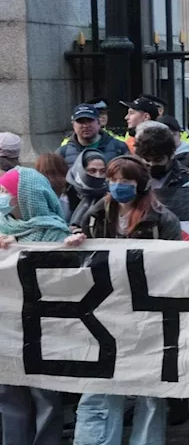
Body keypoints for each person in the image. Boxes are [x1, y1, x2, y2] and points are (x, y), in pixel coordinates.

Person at [70, 155, 182, 443]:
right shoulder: (95, 215)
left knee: (149, 390)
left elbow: (176, 266)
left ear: (141, 184)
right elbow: (81, 254)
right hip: (104, 312)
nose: (119, 186)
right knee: (99, 386)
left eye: (126, 181)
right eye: (114, 180)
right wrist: (75, 241)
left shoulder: (162, 219)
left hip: (147, 314)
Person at [0, 168, 80, 445]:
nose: (2, 198)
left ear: (27, 197)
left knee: (45, 394)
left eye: (7, 192)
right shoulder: (1, 229)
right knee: (9, 393)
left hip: (46, 330)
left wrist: (72, 252)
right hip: (7, 329)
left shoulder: (57, 234)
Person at [58, 103, 129, 167]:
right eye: (80, 121)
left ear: (99, 123)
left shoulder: (119, 148)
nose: (85, 126)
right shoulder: (62, 152)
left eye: (89, 120)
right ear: (73, 125)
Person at [134, 122, 189, 189]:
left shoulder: (187, 180)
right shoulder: (134, 177)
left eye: (158, 160)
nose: (152, 164)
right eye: (147, 160)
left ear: (172, 155)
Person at [67, 149, 109, 214]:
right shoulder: (66, 193)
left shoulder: (108, 197)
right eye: (92, 171)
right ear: (81, 170)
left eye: (102, 171)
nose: (98, 176)